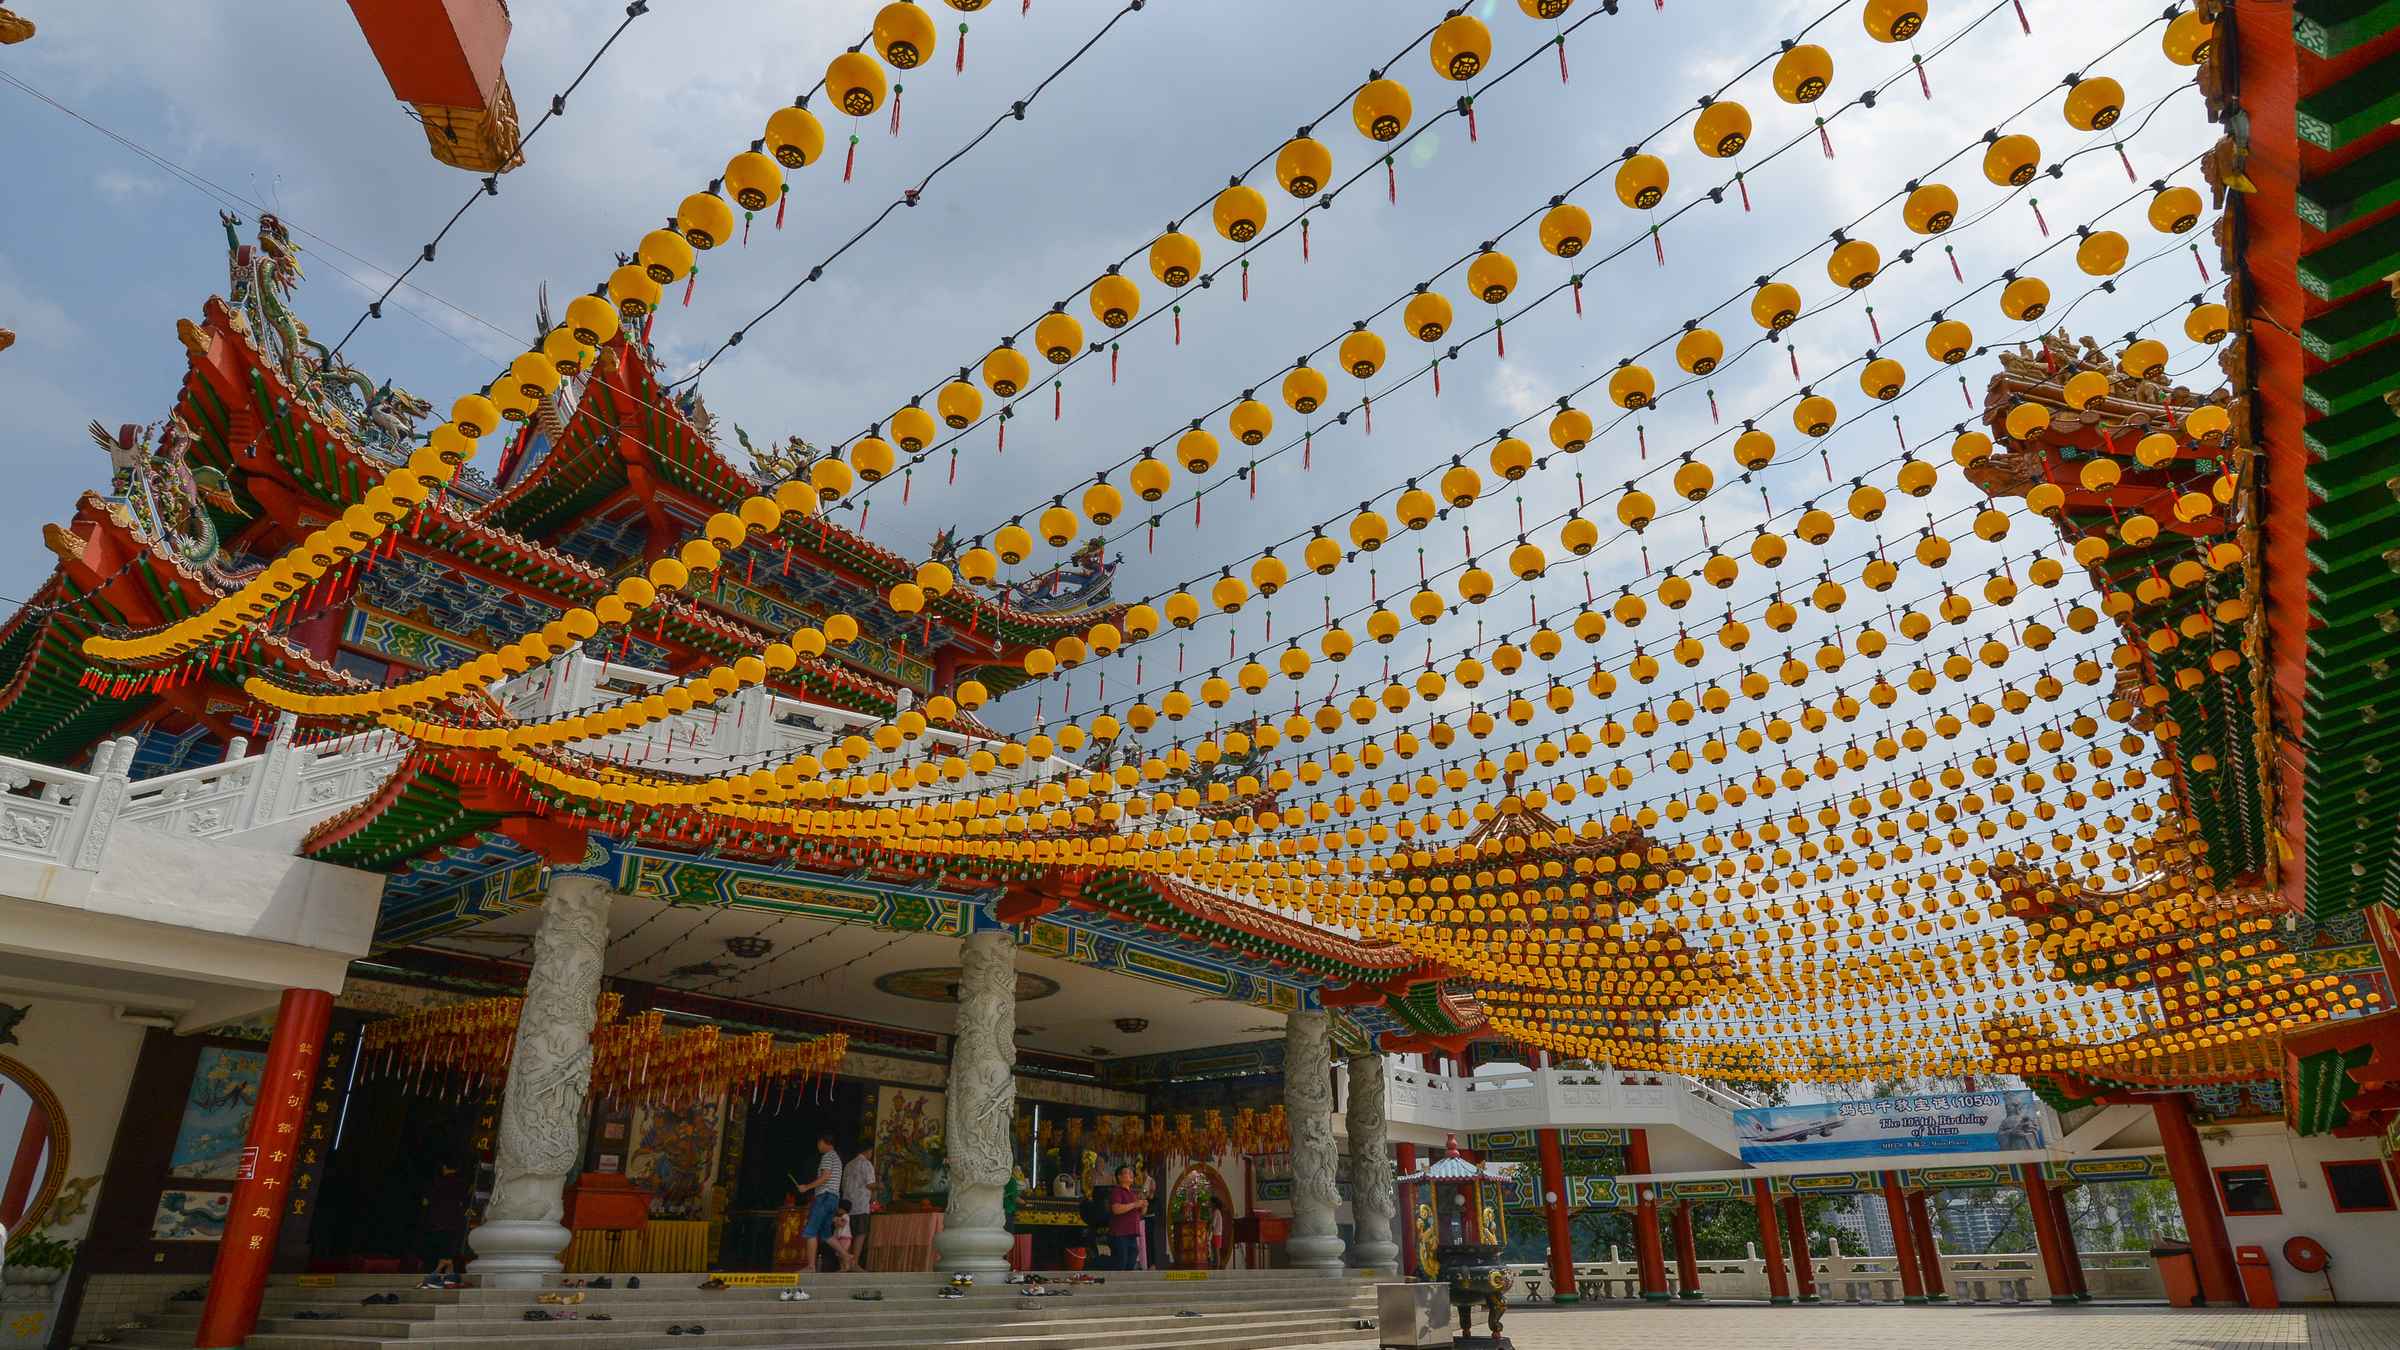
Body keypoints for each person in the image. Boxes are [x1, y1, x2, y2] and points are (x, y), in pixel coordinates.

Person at [795, 1133, 842, 1272]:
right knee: (826, 1234)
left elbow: (825, 1177)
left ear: (823, 1142)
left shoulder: (827, 1156)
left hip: (825, 1197)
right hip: (833, 1198)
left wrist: (806, 1187)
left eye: (818, 1143)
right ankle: (846, 1256)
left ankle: (811, 1267)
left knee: (810, 1231)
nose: (818, 1146)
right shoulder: (837, 1158)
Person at [840, 1143, 877, 1264]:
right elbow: (870, 1184)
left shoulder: (849, 1165)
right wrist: (881, 1185)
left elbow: (843, 1185)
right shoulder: (866, 1164)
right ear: (868, 1151)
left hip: (848, 1206)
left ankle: (845, 1262)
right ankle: (854, 1262)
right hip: (861, 1205)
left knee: (847, 1235)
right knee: (860, 1234)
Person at [1105, 1164, 1144, 1271]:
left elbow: (1140, 1214)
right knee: (1120, 1264)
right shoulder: (1117, 1191)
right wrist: (1135, 1204)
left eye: (1132, 1173)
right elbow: (1116, 1209)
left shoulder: (1132, 1194)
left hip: (1131, 1234)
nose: (1131, 1174)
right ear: (1119, 1177)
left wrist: (1144, 1205)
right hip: (1120, 1234)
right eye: (1127, 1172)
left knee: (1130, 1264)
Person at [828, 1201, 861, 1272]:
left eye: (838, 1208)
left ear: (843, 1209)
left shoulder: (845, 1216)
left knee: (843, 1253)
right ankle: (842, 1267)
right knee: (840, 1254)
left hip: (845, 1238)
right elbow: (837, 1225)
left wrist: (835, 1220)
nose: (837, 1209)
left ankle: (847, 1266)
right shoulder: (840, 1216)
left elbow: (841, 1224)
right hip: (839, 1238)